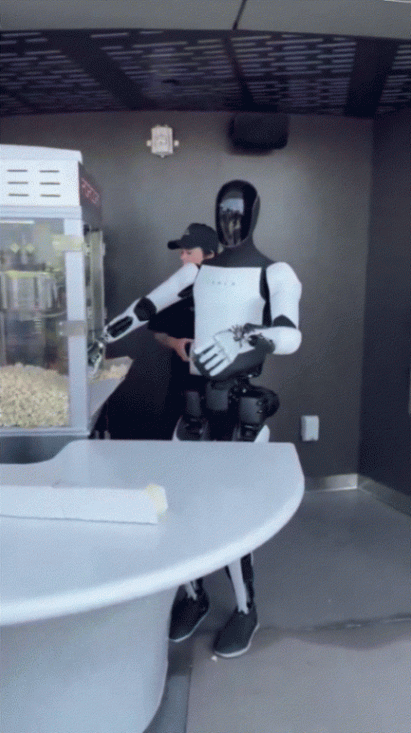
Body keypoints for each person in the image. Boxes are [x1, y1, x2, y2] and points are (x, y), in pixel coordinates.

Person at [92, 180, 302, 657]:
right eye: (223, 211)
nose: (231, 221)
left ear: (254, 215)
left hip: (241, 406)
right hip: (196, 404)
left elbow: (290, 336)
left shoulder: (275, 273)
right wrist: (103, 336)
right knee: (179, 505)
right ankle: (194, 595)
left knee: (234, 518)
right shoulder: (198, 273)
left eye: (238, 212)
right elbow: (147, 306)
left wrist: (243, 336)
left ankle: (245, 608)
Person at [147, 223, 218, 437]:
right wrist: (174, 343)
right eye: (182, 253)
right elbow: (157, 332)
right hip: (182, 389)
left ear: (210, 255)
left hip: (221, 389)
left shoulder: (232, 289)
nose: (183, 258)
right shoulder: (175, 289)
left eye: (189, 252)